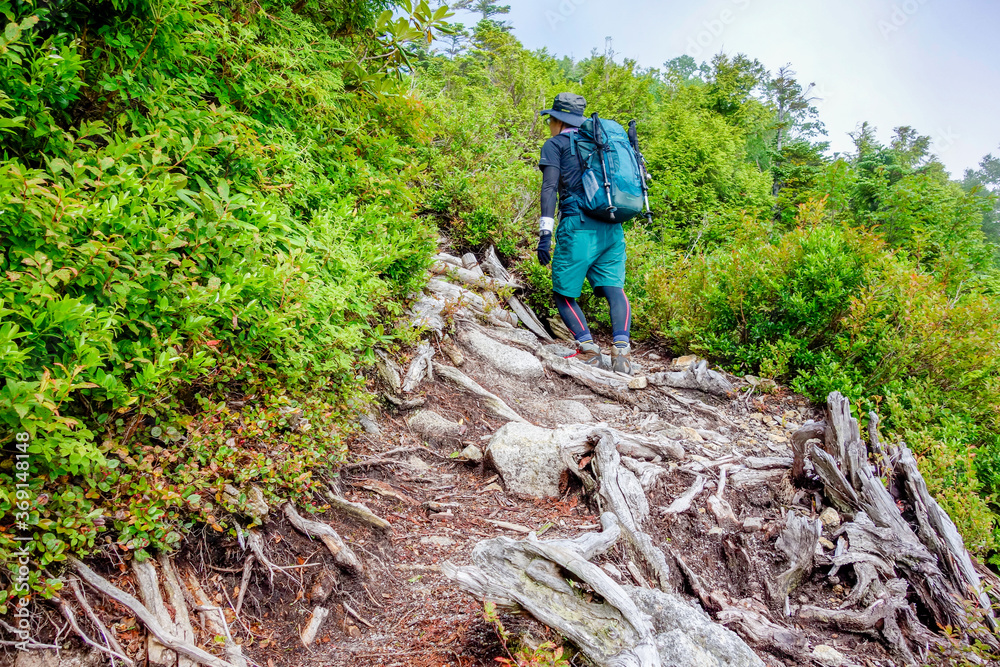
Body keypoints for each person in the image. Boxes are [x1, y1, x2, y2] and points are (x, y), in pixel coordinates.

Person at [536, 93, 633, 375]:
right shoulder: (600, 143)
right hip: (612, 226)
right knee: (614, 289)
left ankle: (588, 350)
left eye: (551, 120)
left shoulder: (556, 145)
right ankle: (622, 352)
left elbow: (549, 189)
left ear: (557, 120)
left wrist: (545, 234)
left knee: (563, 293)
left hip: (578, 227)